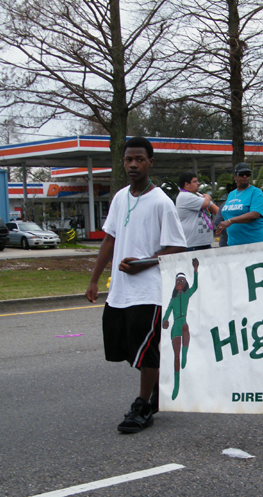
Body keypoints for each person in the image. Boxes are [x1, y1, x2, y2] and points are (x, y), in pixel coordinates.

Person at [86, 136, 187, 434]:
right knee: (128, 347)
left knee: (146, 351)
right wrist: (94, 279)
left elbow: (177, 247)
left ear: (150, 162)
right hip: (121, 291)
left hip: (150, 290)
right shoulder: (120, 197)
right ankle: (158, 393)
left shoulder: (161, 202)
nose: (133, 164)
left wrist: (143, 263)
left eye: (139, 159)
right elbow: (109, 239)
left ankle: (143, 406)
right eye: (128, 159)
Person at [162, 258, 199, 401]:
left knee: (185, 326)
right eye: (177, 282)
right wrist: (165, 320)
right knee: (175, 357)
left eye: (181, 282)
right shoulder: (173, 300)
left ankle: (186, 352)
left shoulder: (186, 296)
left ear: (185, 284)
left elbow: (195, 287)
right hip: (175, 328)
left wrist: (195, 270)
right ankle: (176, 385)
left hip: (183, 324)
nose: (179, 284)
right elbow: (167, 313)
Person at [216, 163, 263, 245]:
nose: (245, 176)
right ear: (235, 176)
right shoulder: (231, 194)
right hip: (234, 244)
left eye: (247, 174)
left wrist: (230, 221)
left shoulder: (256, 192)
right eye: (241, 174)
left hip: (257, 242)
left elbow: (254, 214)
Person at [176, 172, 219, 251]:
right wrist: (207, 196)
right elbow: (206, 203)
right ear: (187, 184)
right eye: (195, 182)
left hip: (204, 243)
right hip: (193, 245)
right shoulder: (184, 196)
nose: (198, 184)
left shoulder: (197, 195)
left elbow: (217, 211)